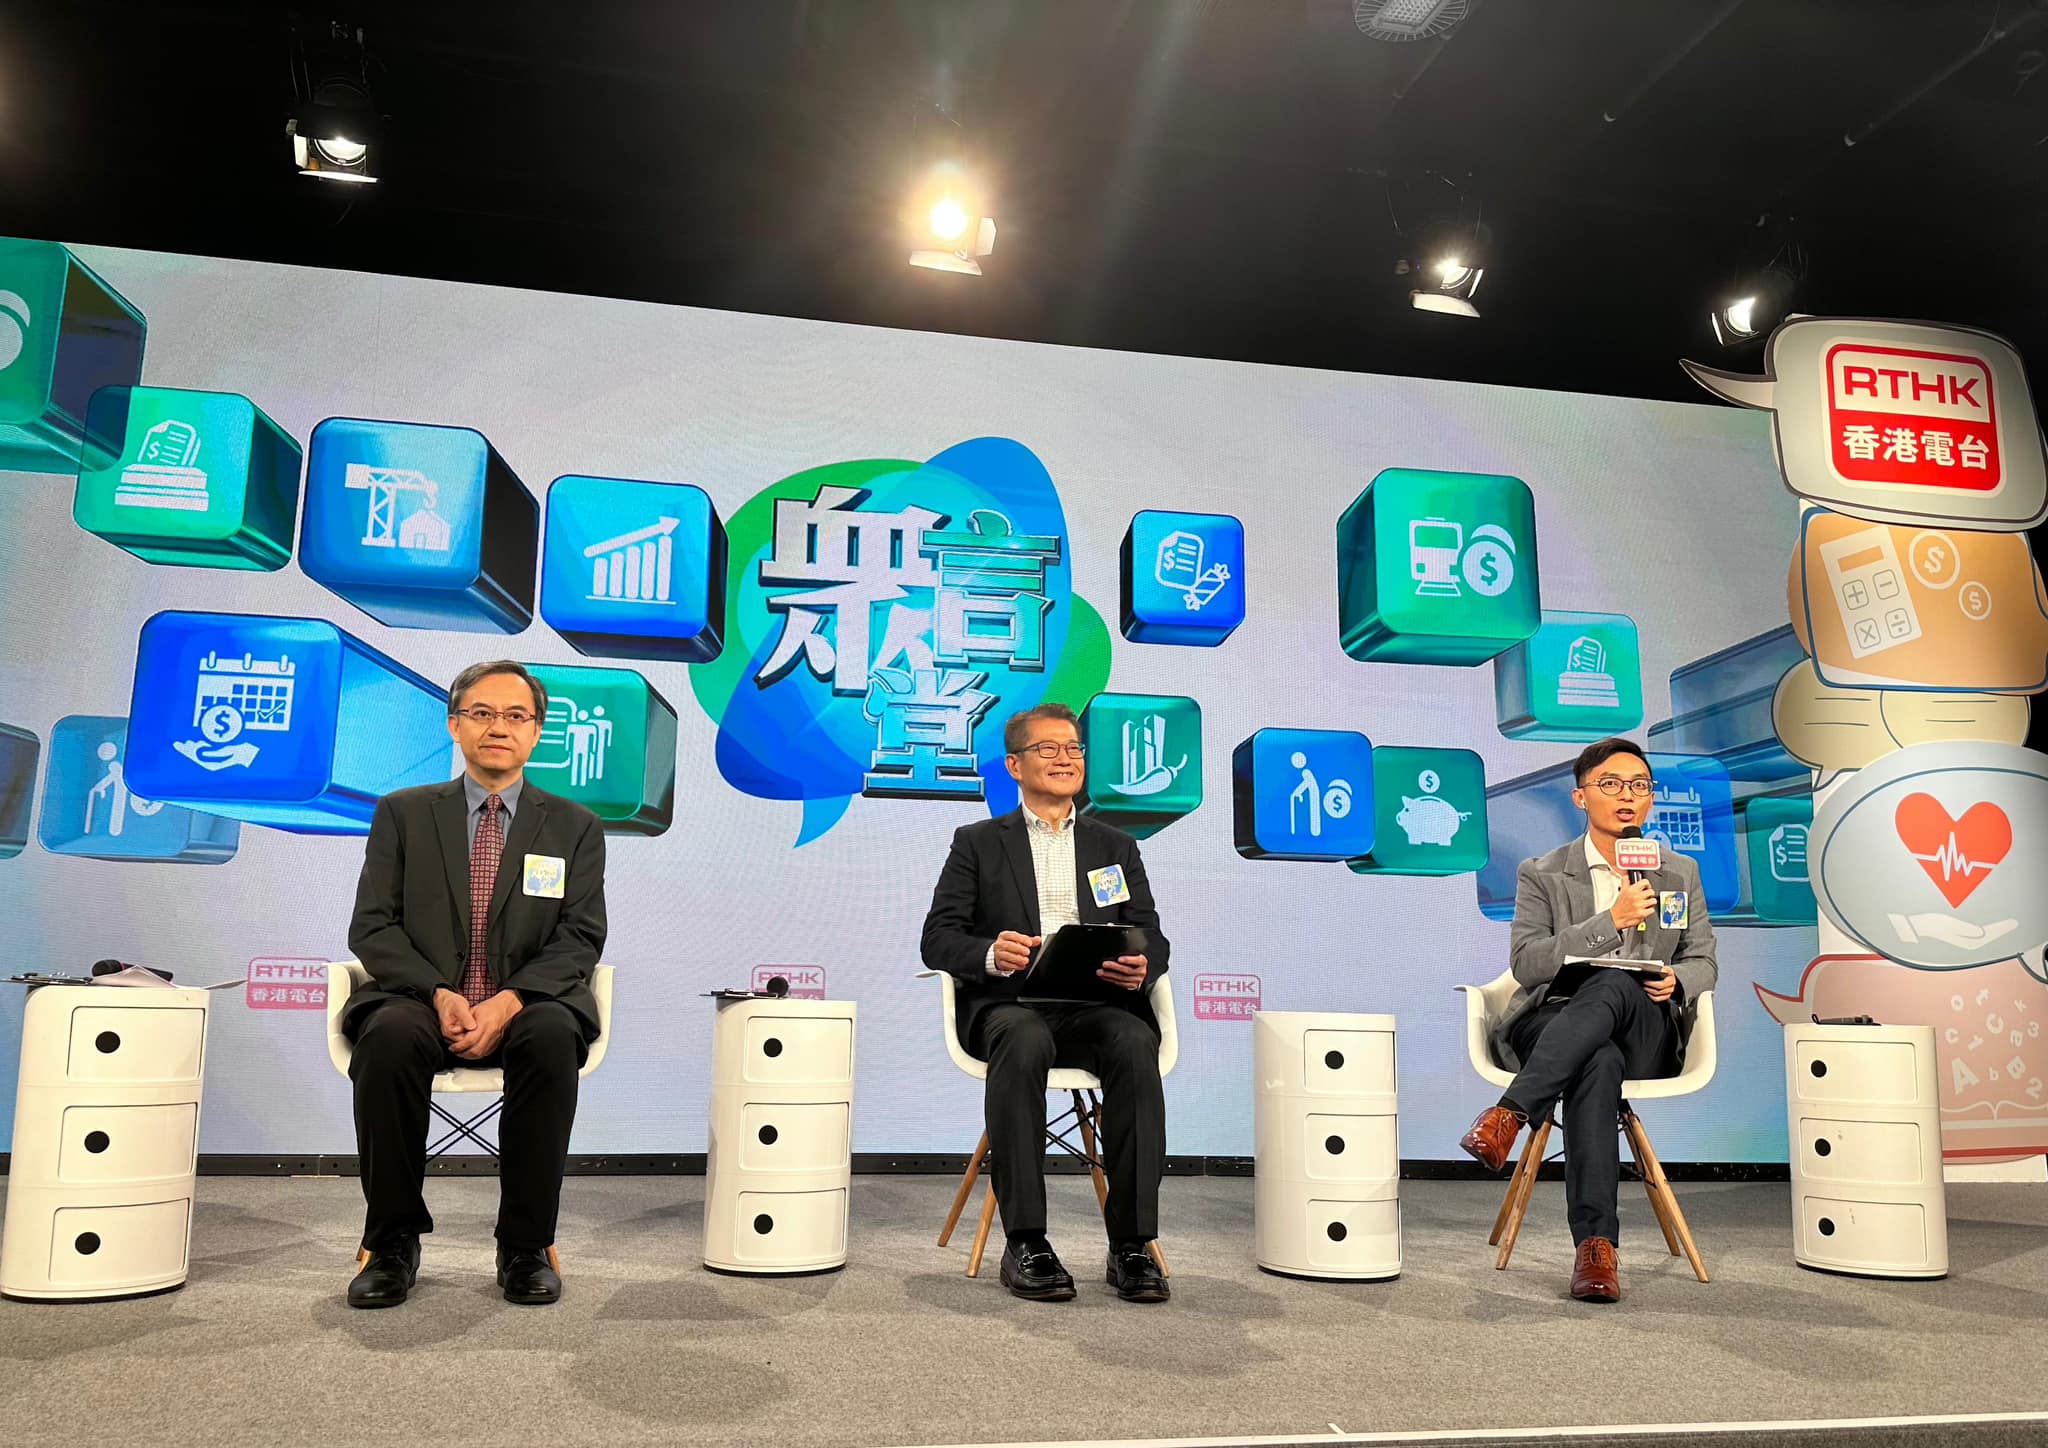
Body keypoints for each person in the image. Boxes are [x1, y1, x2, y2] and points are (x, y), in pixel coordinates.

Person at [342, 660, 607, 1309]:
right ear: (454, 724)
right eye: (482, 713)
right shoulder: (403, 813)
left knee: (550, 1036)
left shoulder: (574, 825)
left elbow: (580, 935)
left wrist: (510, 1000)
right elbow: (372, 926)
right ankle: (391, 1241)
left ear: (537, 732)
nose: (498, 728)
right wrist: (439, 992)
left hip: (528, 1003)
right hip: (421, 1000)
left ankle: (525, 1244)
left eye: (516, 716)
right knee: (389, 1039)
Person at [921, 703, 1173, 1303]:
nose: (1066, 758)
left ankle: (1131, 1244)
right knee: (1024, 1036)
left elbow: (1152, 936)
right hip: (1010, 1005)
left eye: (1074, 748)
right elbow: (938, 938)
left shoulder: (1116, 846)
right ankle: (1026, 1242)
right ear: (1014, 765)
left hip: (1093, 1005)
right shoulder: (978, 843)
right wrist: (990, 952)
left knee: (1134, 1040)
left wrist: (1143, 964)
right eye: (1048, 748)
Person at [1457, 737, 1717, 1303]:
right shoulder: (1543, 872)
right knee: (1596, 1060)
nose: (1627, 795)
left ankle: (1509, 1115)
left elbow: (1703, 960)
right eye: (1611, 784)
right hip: (1555, 1017)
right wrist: (1608, 923)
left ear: (1650, 799)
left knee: (1617, 984)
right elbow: (1527, 964)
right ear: (1581, 797)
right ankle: (1596, 1249)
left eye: (1639, 785)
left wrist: (1679, 981)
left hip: (1645, 1024)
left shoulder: (1678, 872)